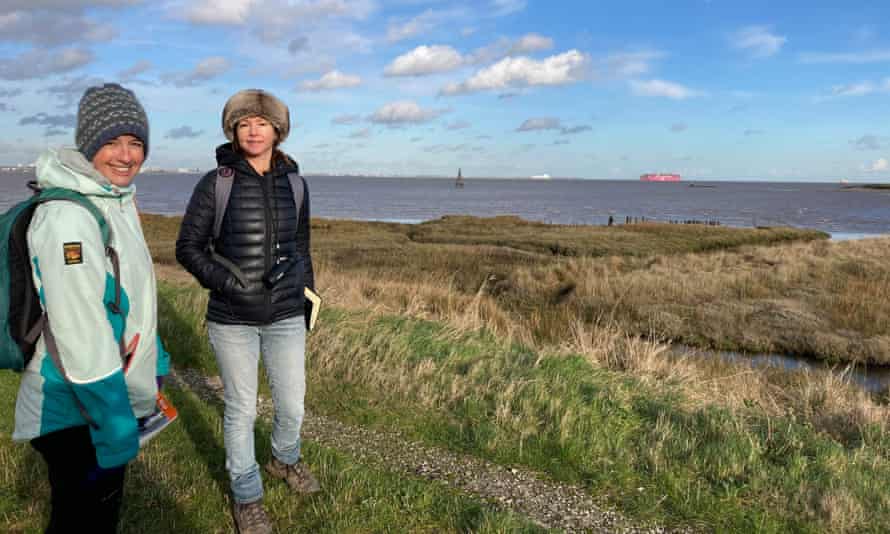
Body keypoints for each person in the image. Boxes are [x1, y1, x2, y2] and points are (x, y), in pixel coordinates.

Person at [12, 83, 170, 533]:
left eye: (136, 143)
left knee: (94, 516)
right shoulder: (69, 219)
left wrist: (153, 358)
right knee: (84, 521)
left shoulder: (116, 200)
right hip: (76, 407)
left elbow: (130, 296)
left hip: (105, 397)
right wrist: (114, 419)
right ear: (88, 145)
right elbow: (80, 331)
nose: (126, 155)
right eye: (112, 142)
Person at [175, 89, 317, 534]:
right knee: (241, 409)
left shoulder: (295, 182)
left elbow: (302, 246)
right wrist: (226, 283)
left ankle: (283, 460)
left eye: (262, 122)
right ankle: (246, 494)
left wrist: (307, 294)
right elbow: (188, 248)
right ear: (234, 132)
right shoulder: (217, 181)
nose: (254, 130)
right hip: (232, 319)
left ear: (277, 130)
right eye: (244, 123)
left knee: (292, 405)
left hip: (287, 314)